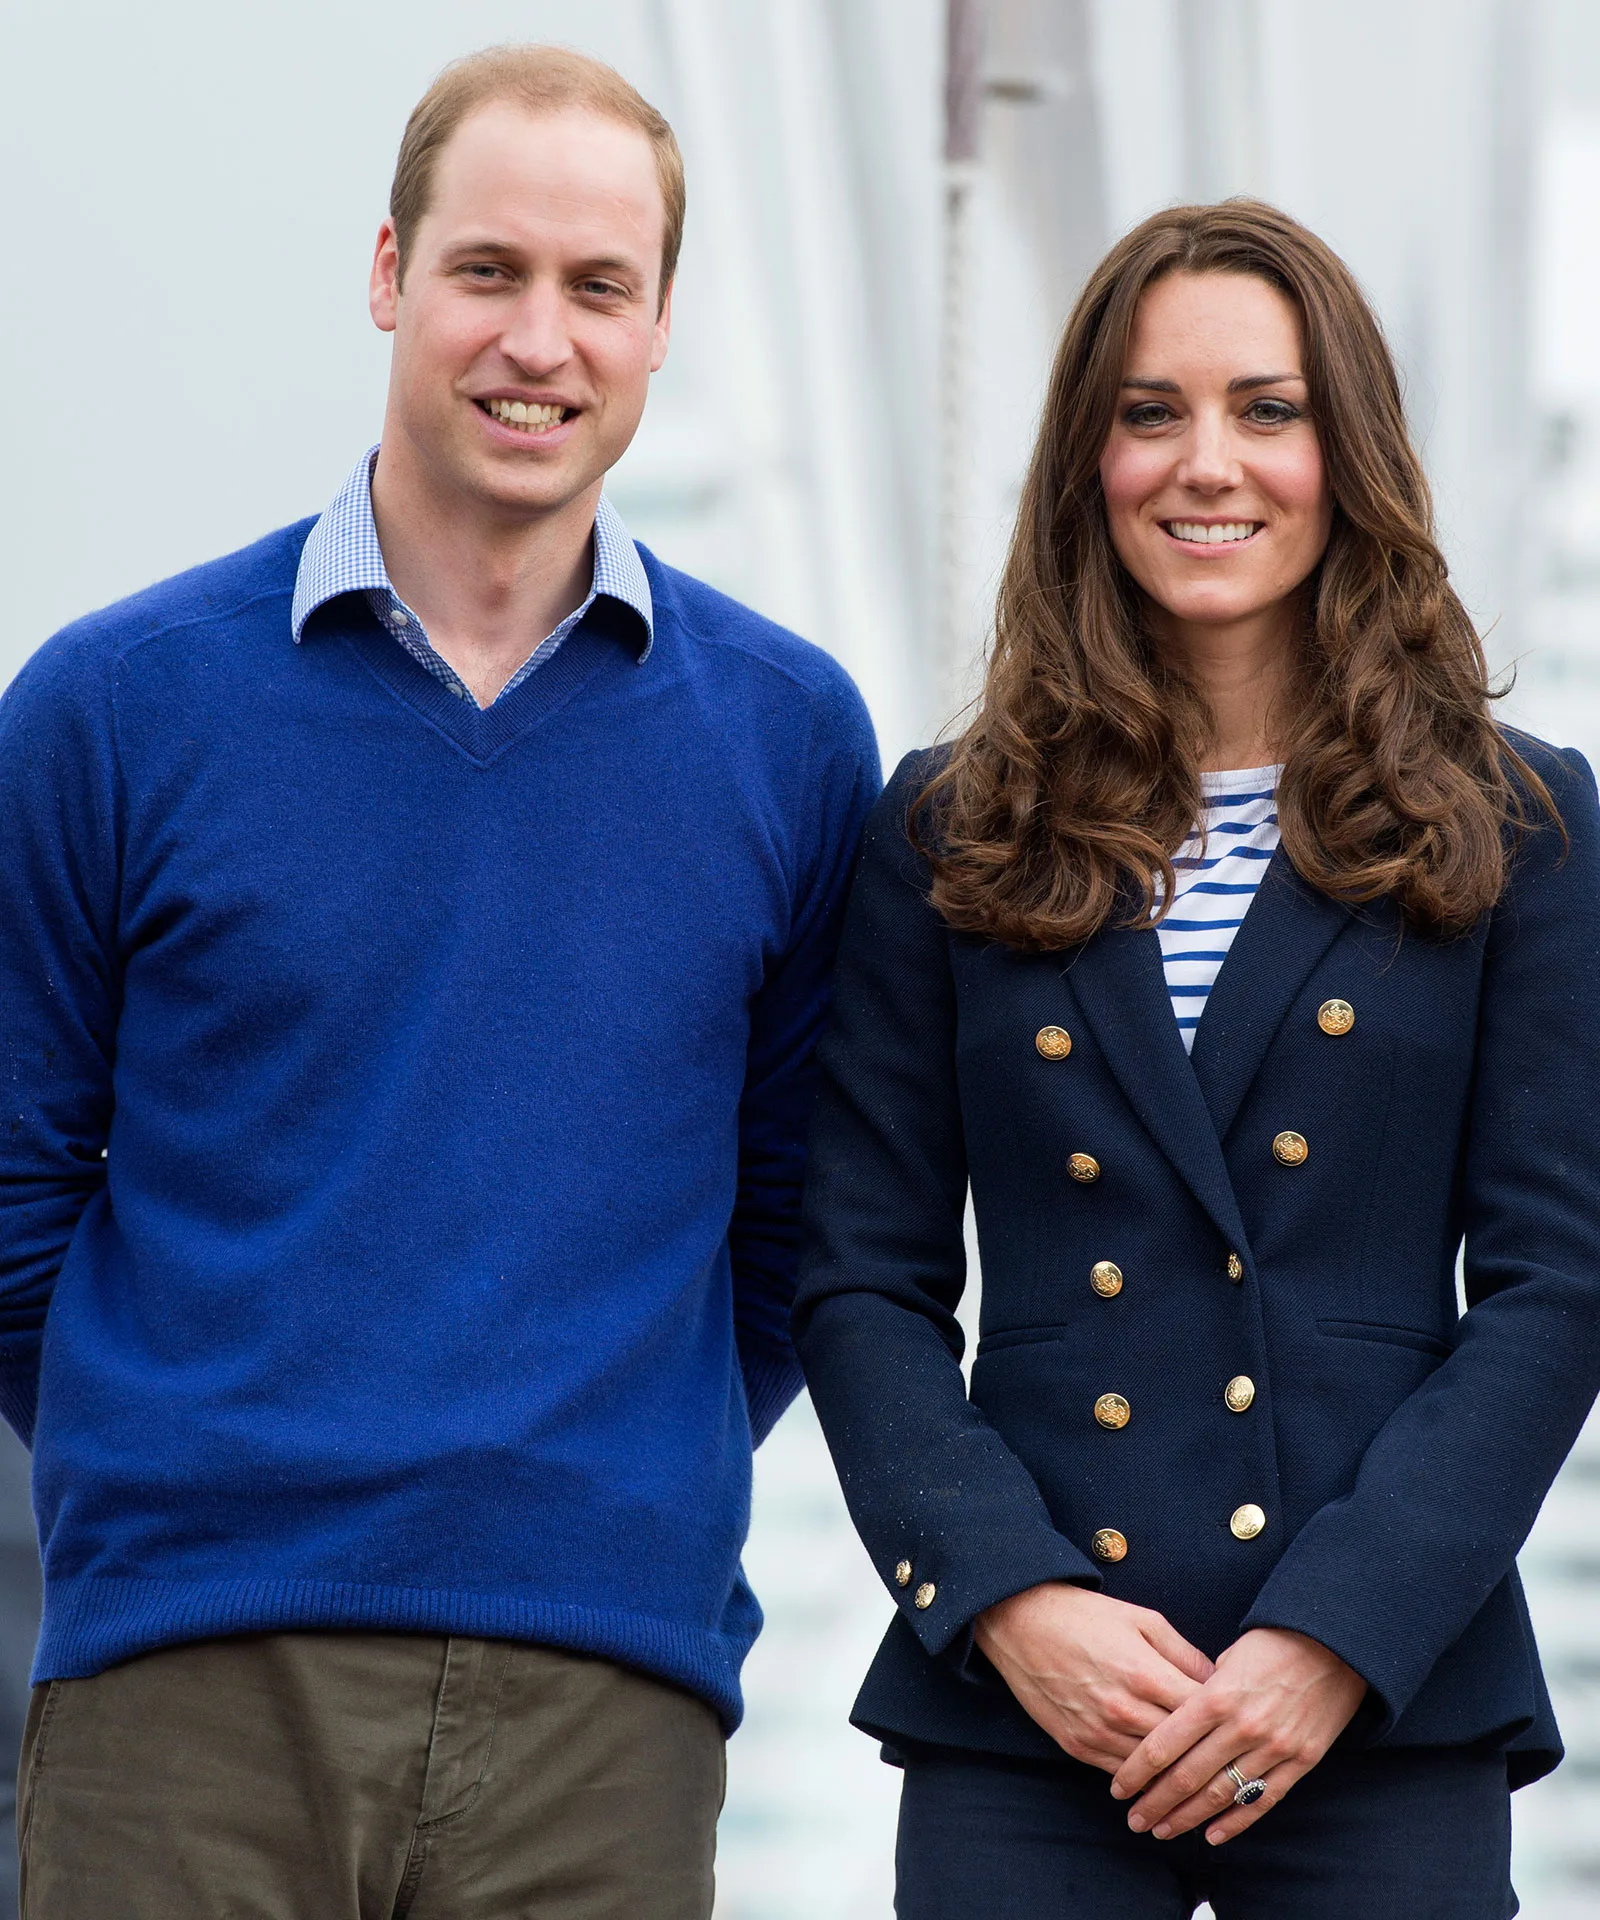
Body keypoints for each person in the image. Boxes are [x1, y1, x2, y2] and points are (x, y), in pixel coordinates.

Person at [0, 43, 877, 1919]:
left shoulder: (792, 742)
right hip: (192, 1669)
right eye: (488, 272)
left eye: (596, 289)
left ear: (659, 329)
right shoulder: (116, 708)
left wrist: (600, 1475)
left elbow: (800, 1226)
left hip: (603, 1694)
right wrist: (180, 1455)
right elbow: (9, 1195)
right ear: (389, 272)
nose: (536, 341)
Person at [792, 198, 1600, 1919]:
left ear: (1348, 451)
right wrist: (1013, 1603)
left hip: (1383, 1695)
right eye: (1149, 412)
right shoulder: (947, 827)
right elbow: (859, 1281)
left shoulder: (1520, 821)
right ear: (1087, 457)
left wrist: (1335, 1634)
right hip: (1032, 1712)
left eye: (1269, 408)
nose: (1205, 462)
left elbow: (1557, 1282)